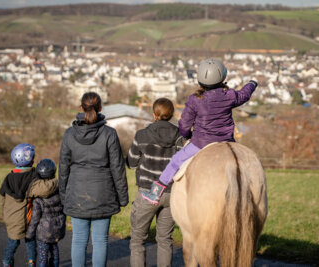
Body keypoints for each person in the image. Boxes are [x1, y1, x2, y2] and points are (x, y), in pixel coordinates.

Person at [142, 58, 258, 204]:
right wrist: (252, 84)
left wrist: (188, 135)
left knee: (176, 161)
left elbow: (184, 125)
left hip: (200, 143)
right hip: (227, 142)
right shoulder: (229, 96)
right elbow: (244, 95)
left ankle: (156, 192)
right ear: (222, 77)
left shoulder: (194, 100)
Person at [59, 92, 129, 267]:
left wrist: (63, 196)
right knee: (100, 241)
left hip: (76, 194)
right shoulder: (109, 134)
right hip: (103, 195)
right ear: (100, 108)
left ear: (82, 108)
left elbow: (63, 170)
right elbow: (118, 169)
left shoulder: (69, 134)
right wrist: (123, 198)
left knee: (78, 240)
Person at [127, 98, 185, 267]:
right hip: (171, 193)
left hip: (147, 192)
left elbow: (131, 163)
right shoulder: (180, 136)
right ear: (172, 114)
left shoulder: (142, 135)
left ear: (154, 114)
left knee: (137, 239)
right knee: (165, 239)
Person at [0, 143, 59, 267]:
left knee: (12, 242)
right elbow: (45, 189)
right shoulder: (31, 178)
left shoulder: (8, 177)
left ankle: (6, 262)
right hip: (27, 219)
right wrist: (57, 181)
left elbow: (2, 199)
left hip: (11, 219)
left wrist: (4, 215)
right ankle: (31, 262)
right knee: (30, 242)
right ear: (30, 160)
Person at [26, 158, 66, 267]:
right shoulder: (60, 191)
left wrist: (29, 234)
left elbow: (35, 219)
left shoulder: (38, 198)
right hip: (57, 229)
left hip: (43, 233)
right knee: (55, 252)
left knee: (43, 256)